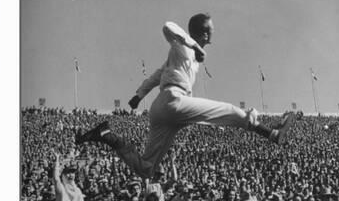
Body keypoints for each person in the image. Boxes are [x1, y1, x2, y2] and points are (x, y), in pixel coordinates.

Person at [76, 13, 296, 179]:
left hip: (161, 109)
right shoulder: (183, 47)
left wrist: (139, 94)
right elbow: (168, 26)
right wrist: (194, 46)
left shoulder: (181, 55)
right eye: (211, 30)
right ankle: (273, 133)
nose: (213, 34)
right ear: (204, 33)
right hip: (174, 101)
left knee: (146, 169)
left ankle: (106, 135)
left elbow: (157, 75)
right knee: (230, 111)